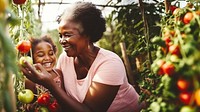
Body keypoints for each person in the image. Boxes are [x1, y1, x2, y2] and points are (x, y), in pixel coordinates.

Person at [21, 2, 145, 112]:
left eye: (67, 35)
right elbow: (62, 96)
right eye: (60, 35)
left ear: (88, 34)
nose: (62, 41)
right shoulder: (65, 58)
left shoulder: (110, 64)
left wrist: (50, 85)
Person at [24, 35, 65, 111]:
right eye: (41, 55)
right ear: (31, 58)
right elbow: (28, 106)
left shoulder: (58, 74)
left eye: (51, 53)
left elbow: (63, 99)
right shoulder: (30, 80)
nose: (47, 58)